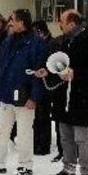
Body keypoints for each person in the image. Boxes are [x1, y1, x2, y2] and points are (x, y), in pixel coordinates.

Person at [40, 10, 88, 175]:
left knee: (81, 137)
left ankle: (86, 172)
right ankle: (68, 168)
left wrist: (76, 74)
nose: (59, 24)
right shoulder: (64, 40)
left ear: (72, 24)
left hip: (81, 95)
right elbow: (60, 63)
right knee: (65, 135)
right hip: (63, 94)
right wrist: (50, 71)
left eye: (61, 21)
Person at [0, 9, 46, 175]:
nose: (10, 23)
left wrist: (34, 97)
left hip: (25, 97)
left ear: (22, 23)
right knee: (1, 131)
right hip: (6, 94)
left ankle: (25, 165)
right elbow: (1, 68)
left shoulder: (36, 43)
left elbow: (40, 72)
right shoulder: (7, 41)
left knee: (24, 133)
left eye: (13, 20)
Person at [31, 20, 54, 156]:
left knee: (44, 116)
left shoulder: (51, 43)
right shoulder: (35, 43)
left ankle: (44, 145)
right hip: (35, 81)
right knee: (35, 117)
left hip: (46, 83)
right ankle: (35, 143)